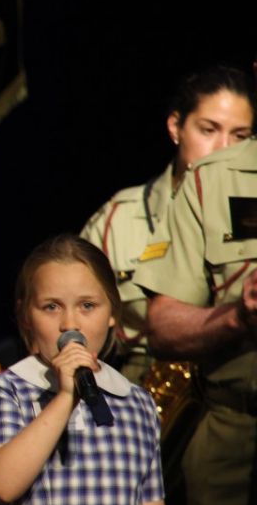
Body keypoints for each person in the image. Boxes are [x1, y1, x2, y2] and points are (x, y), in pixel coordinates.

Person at [0, 234, 191, 505]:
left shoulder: (136, 404)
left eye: (87, 306)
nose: (70, 324)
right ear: (25, 315)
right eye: (51, 307)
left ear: (112, 314)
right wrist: (63, 398)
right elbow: (3, 482)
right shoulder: (9, 390)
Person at [133, 67, 257, 505]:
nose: (220, 141)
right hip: (235, 423)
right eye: (209, 127)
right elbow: (163, 324)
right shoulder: (213, 183)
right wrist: (241, 313)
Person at [82, 66, 255, 381]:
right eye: (208, 130)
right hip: (133, 386)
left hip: (222, 385)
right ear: (176, 127)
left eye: (239, 136)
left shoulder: (247, 208)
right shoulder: (118, 219)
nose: (223, 147)